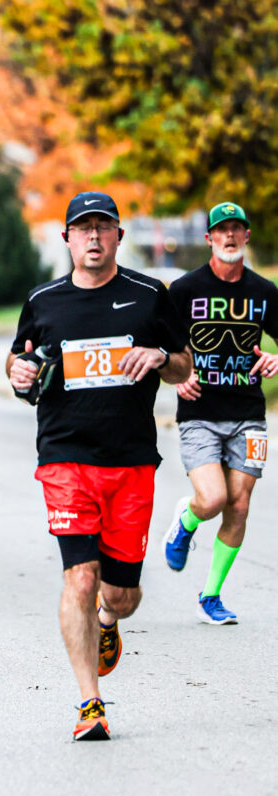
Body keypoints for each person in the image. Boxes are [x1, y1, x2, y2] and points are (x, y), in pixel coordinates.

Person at [7, 192, 191, 741]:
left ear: (118, 236)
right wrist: (18, 373)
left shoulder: (148, 296)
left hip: (131, 461)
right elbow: (21, 359)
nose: (93, 237)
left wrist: (161, 357)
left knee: (121, 596)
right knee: (79, 578)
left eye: (103, 228)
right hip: (65, 457)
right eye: (82, 229)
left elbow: (183, 366)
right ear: (66, 238)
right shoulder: (43, 300)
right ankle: (90, 704)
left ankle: (109, 622)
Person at [163, 202, 278, 624]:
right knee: (213, 498)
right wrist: (175, 377)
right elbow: (160, 349)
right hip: (200, 412)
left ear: (247, 236)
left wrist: (275, 359)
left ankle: (210, 595)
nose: (229, 236)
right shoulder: (184, 290)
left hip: (250, 413)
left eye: (237, 229)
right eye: (221, 230)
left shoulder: (265, 293)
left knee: (240, 505)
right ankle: (187, 520)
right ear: (209, 238)